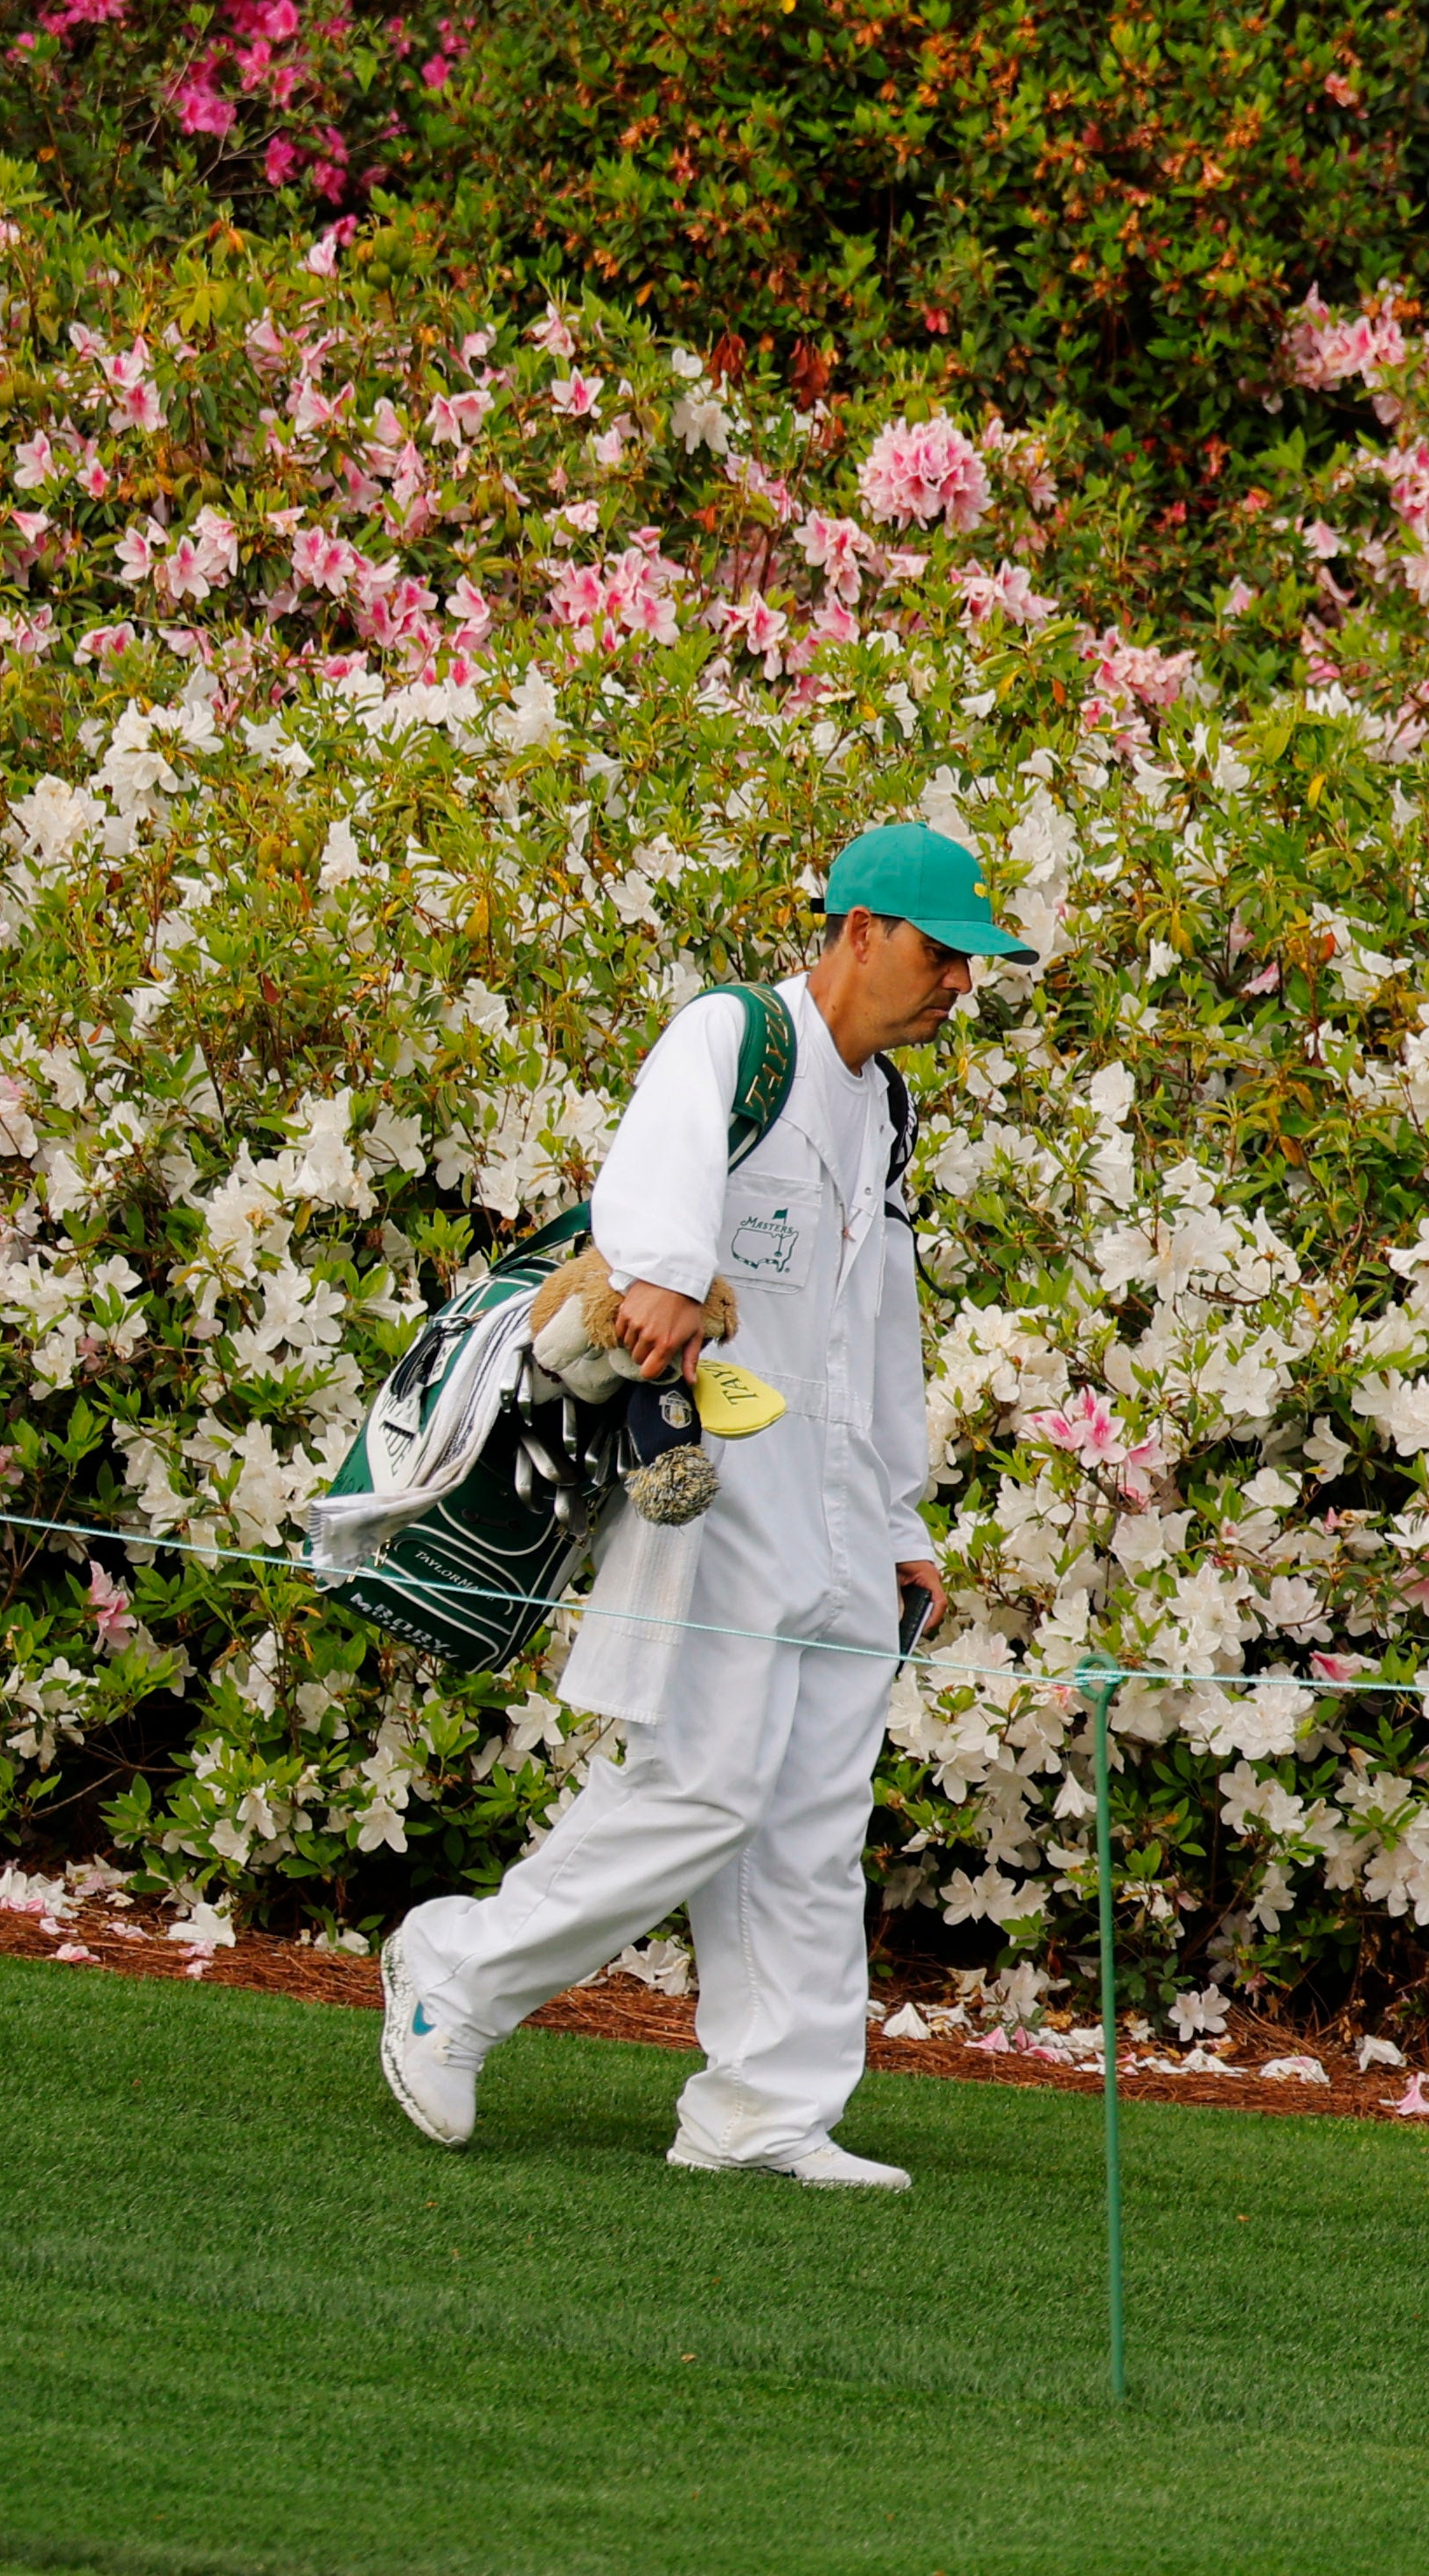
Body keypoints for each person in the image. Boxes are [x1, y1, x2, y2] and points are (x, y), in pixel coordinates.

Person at [377, 823, 1030, 2189]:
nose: (959, 983)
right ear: (859, 929)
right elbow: (654, 1234)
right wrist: (667, 1274)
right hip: (718, 1491)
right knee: (704, 1788)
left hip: (844, 1507)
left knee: (811, 1811)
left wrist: (901, 1521)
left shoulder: (887, 1102)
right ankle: (456, 1972)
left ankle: (765, 2107)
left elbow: (879, 1316)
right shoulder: (735, 1039)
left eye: (973, 962)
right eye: (942, 951)